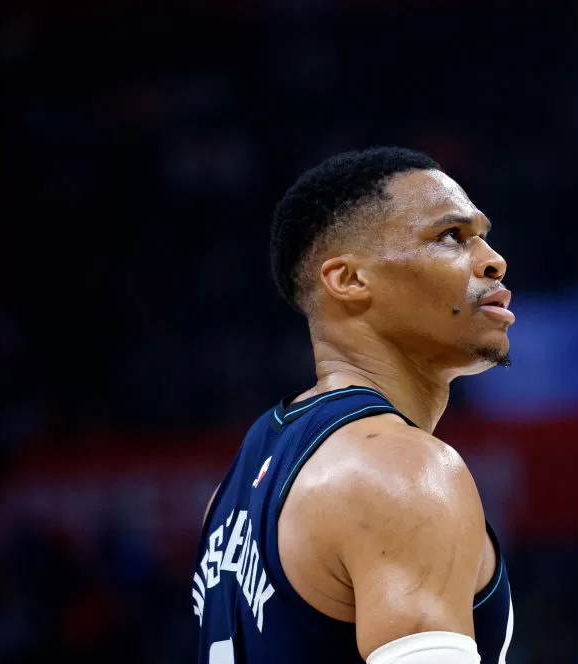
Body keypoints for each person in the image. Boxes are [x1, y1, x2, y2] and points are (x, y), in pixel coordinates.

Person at [191, 147, 515, 664]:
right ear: (348, 280)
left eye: (482, 235)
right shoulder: (399, 471)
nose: (493, 260)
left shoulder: (235, 484)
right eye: (451, 237)